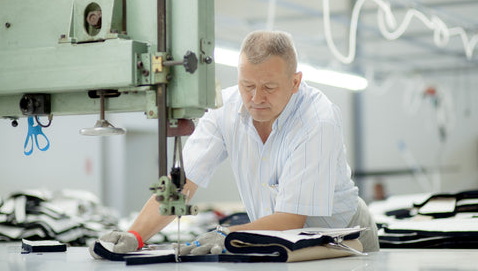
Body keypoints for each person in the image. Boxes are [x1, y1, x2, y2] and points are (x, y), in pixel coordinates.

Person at [90, 30, 379, 257]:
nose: (256, 98)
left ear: (295, 82)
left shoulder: (318, 121)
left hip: (344, 242)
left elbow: (291, 219)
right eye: (247, 85)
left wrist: (227, 234)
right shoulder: (224, 110)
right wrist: (135, 236)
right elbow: (181, 184)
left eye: (269, 87)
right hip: (275, 242)